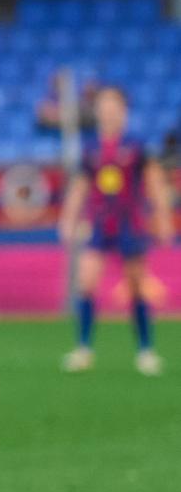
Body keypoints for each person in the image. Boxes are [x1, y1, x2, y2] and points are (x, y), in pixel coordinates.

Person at [59, 86, 173, 376]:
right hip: (98, 223)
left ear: (123, 110)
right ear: (97, 110)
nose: (108, 110)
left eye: (114, 104)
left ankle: (146, 351)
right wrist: (68, 217)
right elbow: (81, 185)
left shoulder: (136, 146)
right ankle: (84, 349)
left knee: (136, 287)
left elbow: (154, 182)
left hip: (130, 224)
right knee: (85, 282)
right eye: (103, 104)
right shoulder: (90, 148)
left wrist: (162, 216)